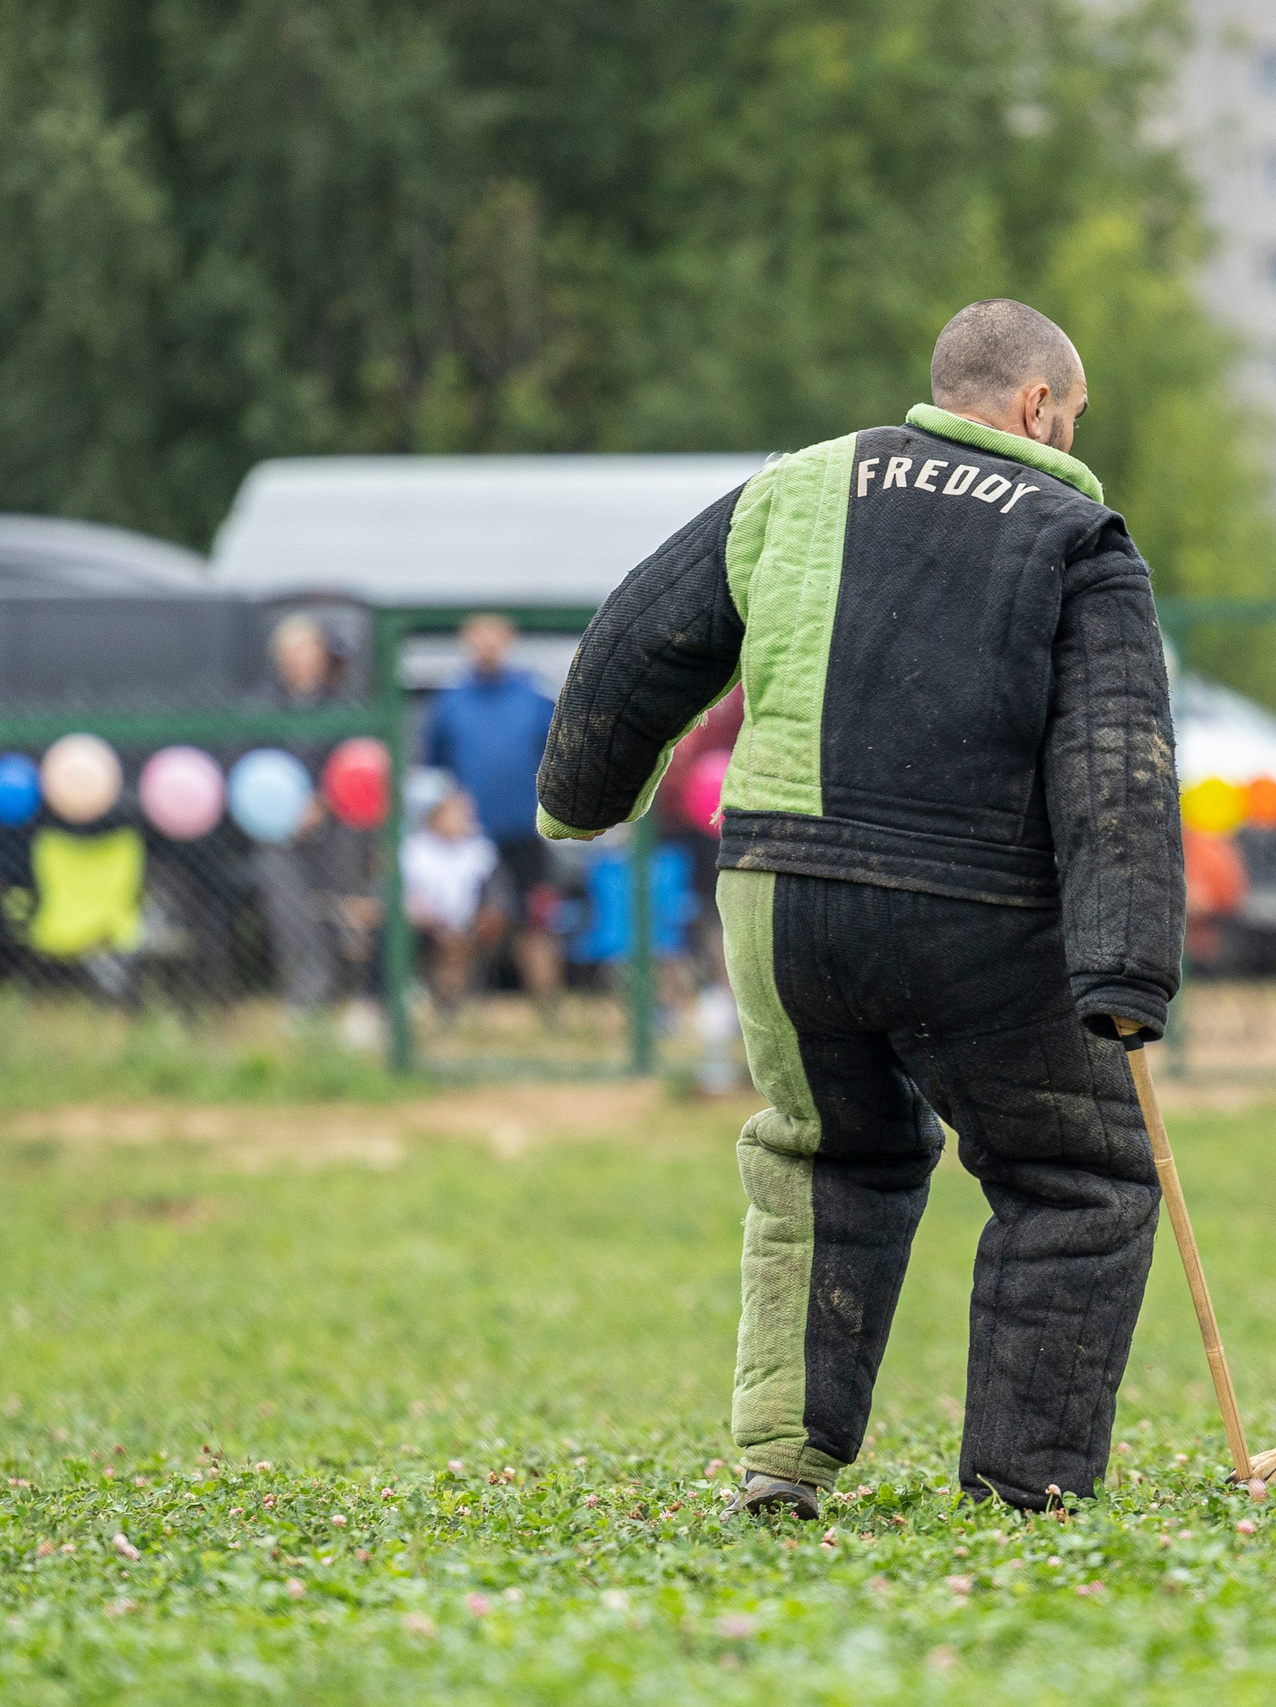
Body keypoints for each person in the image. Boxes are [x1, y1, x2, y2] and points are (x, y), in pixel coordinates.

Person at [534, 299, 1181, 1519]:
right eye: (1075, 411)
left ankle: (784, 1465)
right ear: (1039, 406)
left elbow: (638, 636)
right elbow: (1117, 764)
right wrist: (1126, 969)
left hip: (781, 897)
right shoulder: (1078, 536)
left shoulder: (797, 486)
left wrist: (582, 798)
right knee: (1078, 1180)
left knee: (826, 1155)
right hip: (974, 909)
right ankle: (1020, 1487)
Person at [423, 614, 562, 1017]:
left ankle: (550, 1016)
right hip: (468, 842)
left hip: (526, 834)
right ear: (465, 638)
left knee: (536, 926)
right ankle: (447, 1014)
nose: (486, 642)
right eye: (477, 633)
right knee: (461, 928)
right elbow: (434, 773)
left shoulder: (533, 697)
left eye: (494, 633)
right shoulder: (450, 703)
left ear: (509, 638)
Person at [255, 614, 374, 1019]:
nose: (300, 660)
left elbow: (357, 765)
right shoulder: (262, 709)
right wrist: (282, 811)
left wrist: (323, 801)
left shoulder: (345, 707)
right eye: (292, 653)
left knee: (346, 911)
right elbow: (248, 767)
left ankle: (358, 997)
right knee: (290, 911)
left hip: (339, 830)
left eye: (308, 651)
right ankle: (306, 996)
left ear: (323, 658)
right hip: (279, 834)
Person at [400, 777, 501, 1018]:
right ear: (435, 815)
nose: (463, 819)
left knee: (467, 939)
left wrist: (478, 922)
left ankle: (450, 1005)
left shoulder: (480, 851)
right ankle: (429, 1000)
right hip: (427, 926)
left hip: (469, 927)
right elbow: (404, 895)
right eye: (454, 812)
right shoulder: (414, 850)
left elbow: (495, 895)